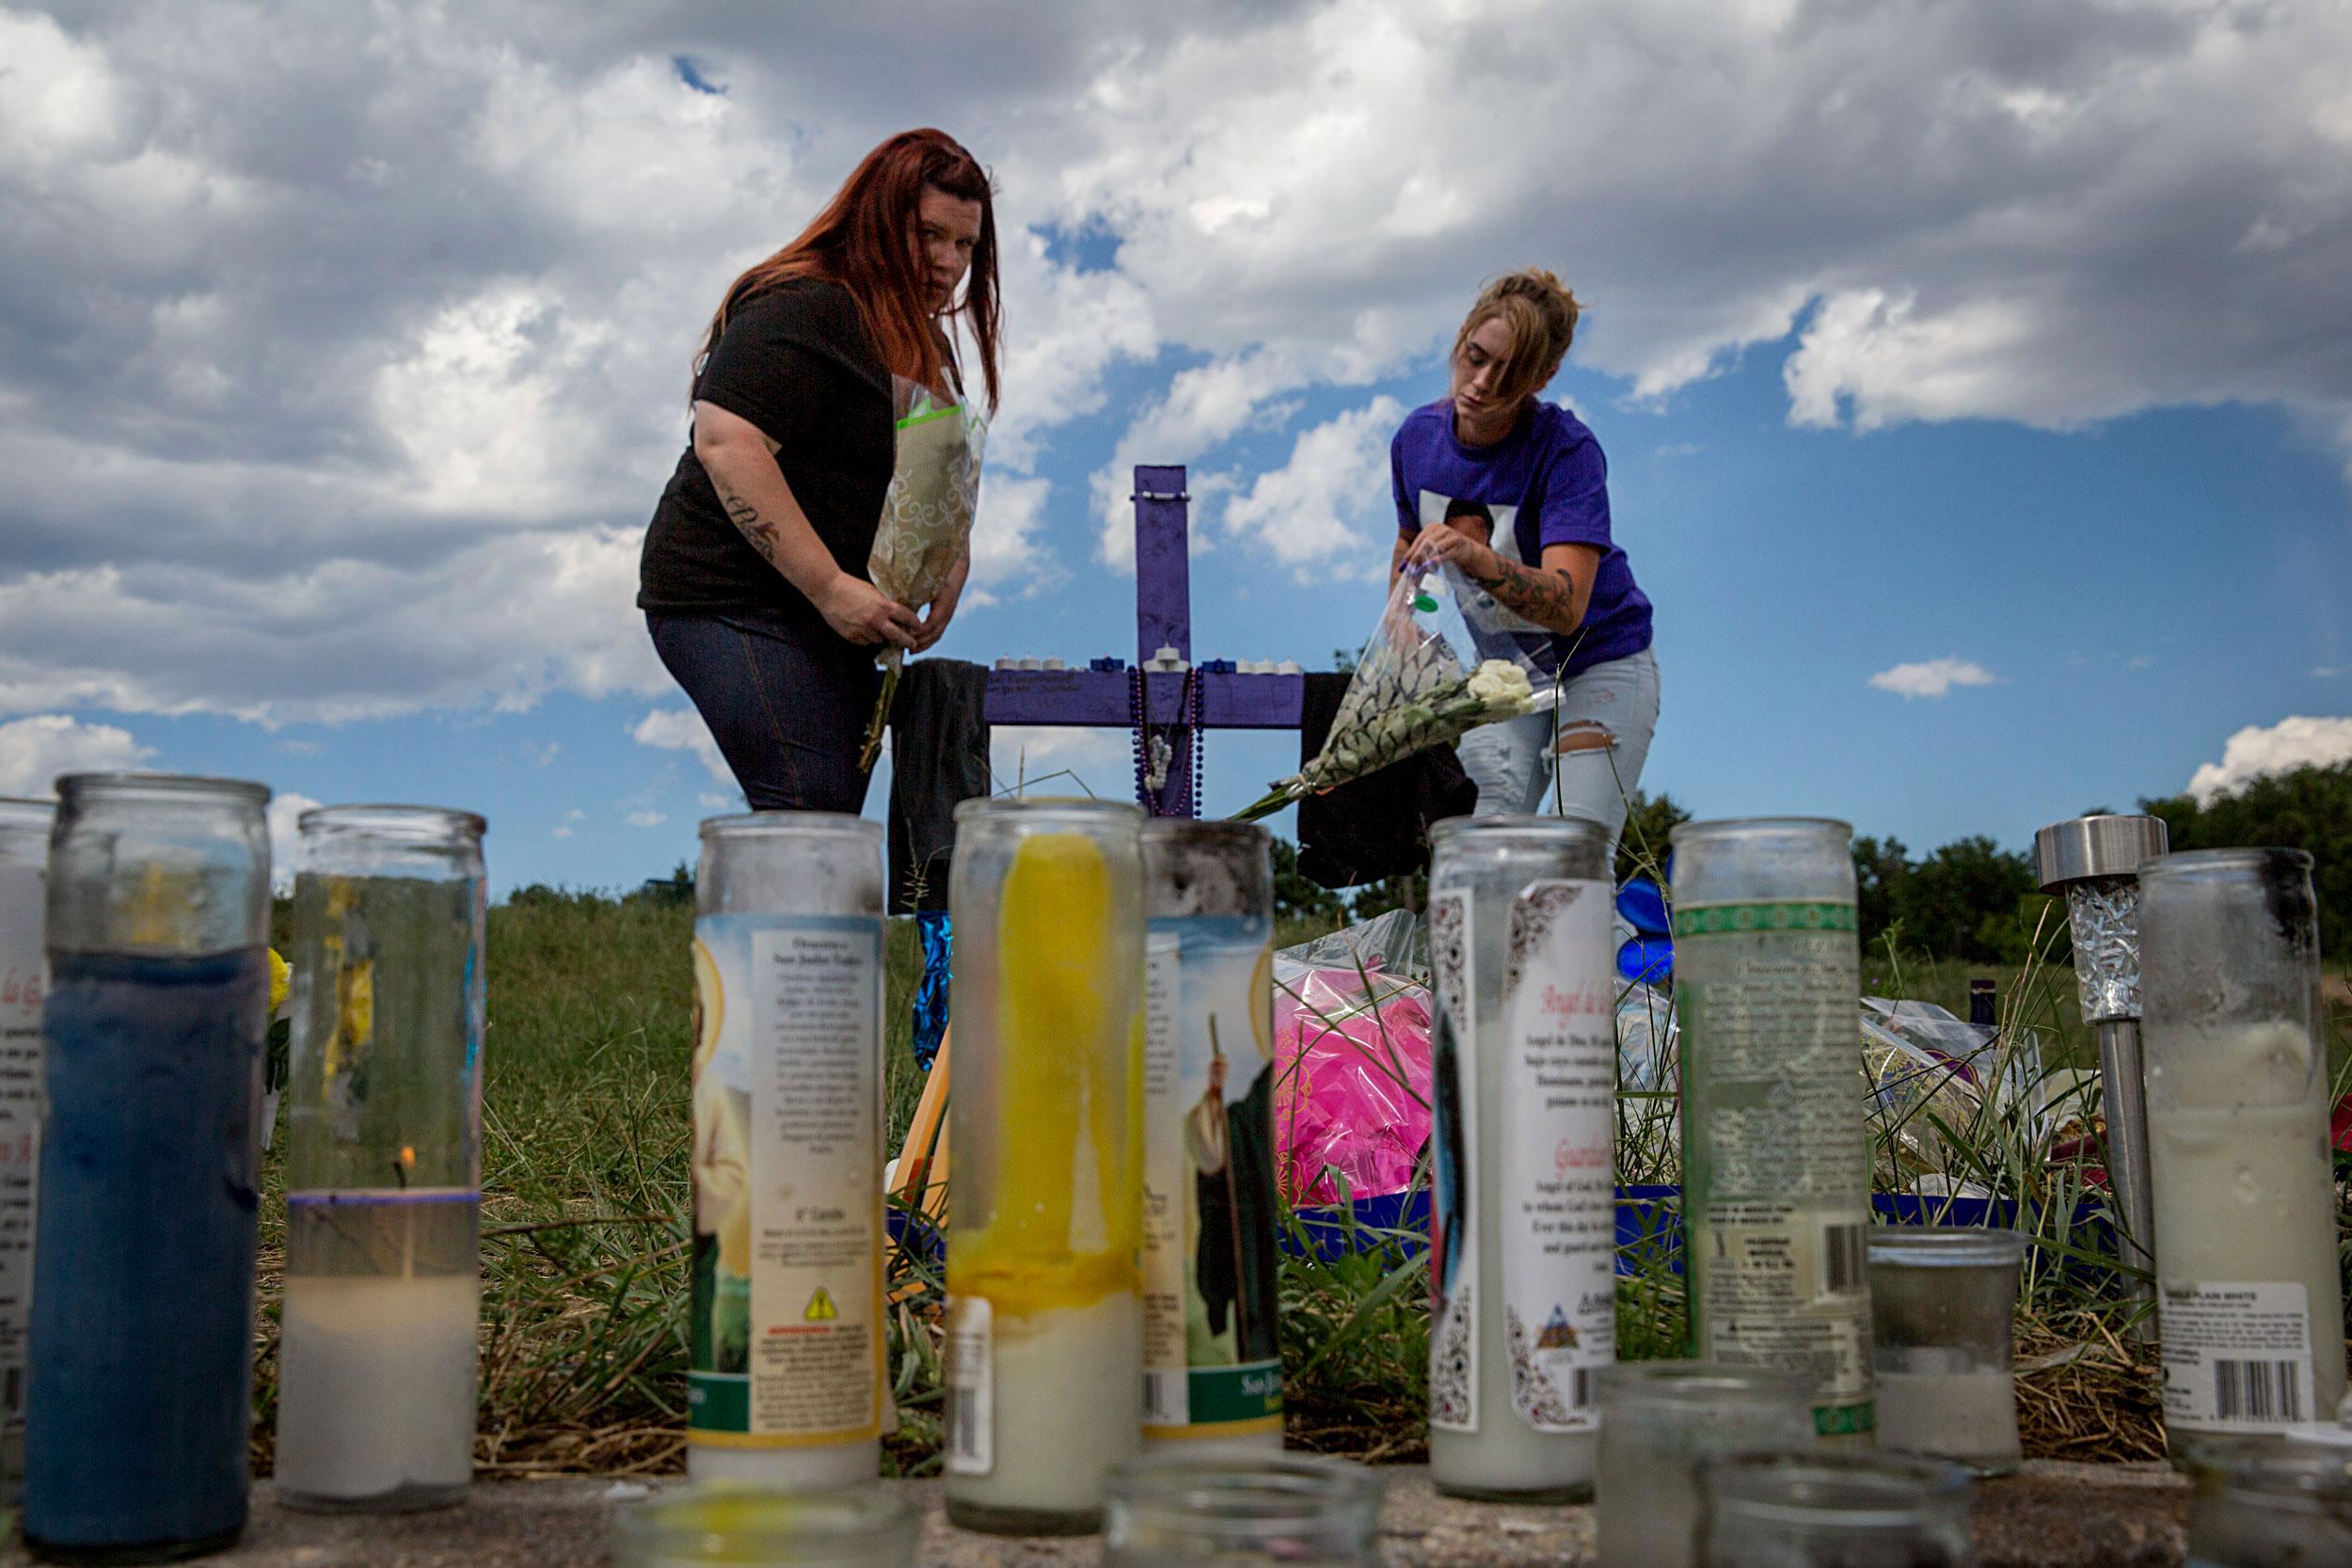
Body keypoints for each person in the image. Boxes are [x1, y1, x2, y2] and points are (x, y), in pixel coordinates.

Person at [638, 129, 1000, 812]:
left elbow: (932, 475)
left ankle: (773, 925)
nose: (948, 262)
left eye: (965, 245)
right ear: (878, 221)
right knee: (811, 805)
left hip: (838, 620)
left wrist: (950, 561)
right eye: (929, 235)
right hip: (730, 599)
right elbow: (728, 441)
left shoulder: (923, 347)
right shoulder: (804, 303)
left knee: (828, 818)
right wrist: (831, 585)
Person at [1390, 269, 1659, 844]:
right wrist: (1403, 618)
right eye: (1475, 356)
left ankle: (1618, 936)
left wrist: (1474, 555)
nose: (1481, 382)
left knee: (1573, 854)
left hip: (1598, 660)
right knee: (1477, 846)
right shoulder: (1417, 440)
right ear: (1462, 335)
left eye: (1507, 374)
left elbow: (1566, 607)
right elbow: (1408, 543)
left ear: (1544, 377)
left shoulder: (1567, 450)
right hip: (1509, 676)